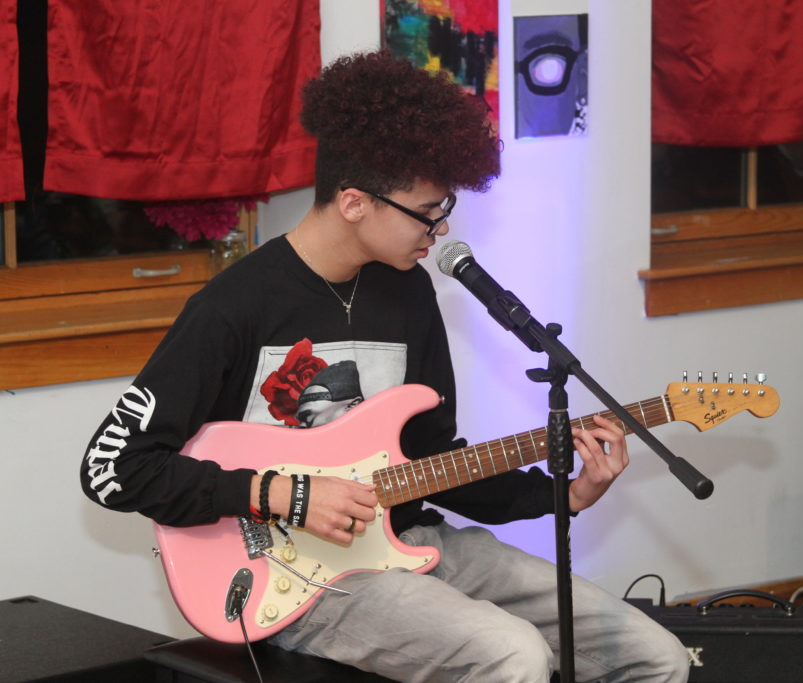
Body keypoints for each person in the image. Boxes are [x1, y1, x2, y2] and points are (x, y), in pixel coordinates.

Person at [81, 50, 689, 682]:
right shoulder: (233, 307)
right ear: (353, 203)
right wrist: (272, 491)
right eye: (427, 212)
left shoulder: (408, 291)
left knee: (654, 656)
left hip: (411, 542)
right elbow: (112, 469)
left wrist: (561, 494)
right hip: (295, 578)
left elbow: (433, 460)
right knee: (512, 654)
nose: (440, 228)